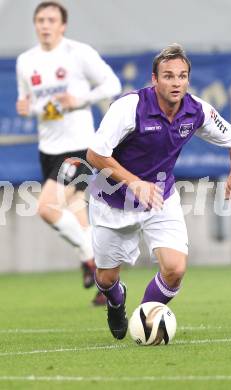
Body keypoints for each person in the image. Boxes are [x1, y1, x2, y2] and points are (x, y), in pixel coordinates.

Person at [86, 44, 231, 339]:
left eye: (182, 76)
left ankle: (146, 319)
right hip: (113, 202)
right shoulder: (129, 107)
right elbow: (95, 155)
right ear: (154, 79)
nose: (176, 83)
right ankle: (115, 297)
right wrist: (134, 181)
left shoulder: (196, 110)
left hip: (161, 198)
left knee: (175, 269)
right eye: (169, 76)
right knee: (107, 278)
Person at [16, 1, 122, 305]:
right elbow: (33, 104)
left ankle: (90, 260)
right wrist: (26, 107)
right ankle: (107, 284)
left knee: (47, 208)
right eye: (40, 20)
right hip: (48, 148)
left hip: (77, 147)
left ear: (63, 25)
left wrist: (79, 100)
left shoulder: (79, 53)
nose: (45, 25)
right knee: (78, 216)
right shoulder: (26, 61)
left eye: (51, 19)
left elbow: (111, 84)